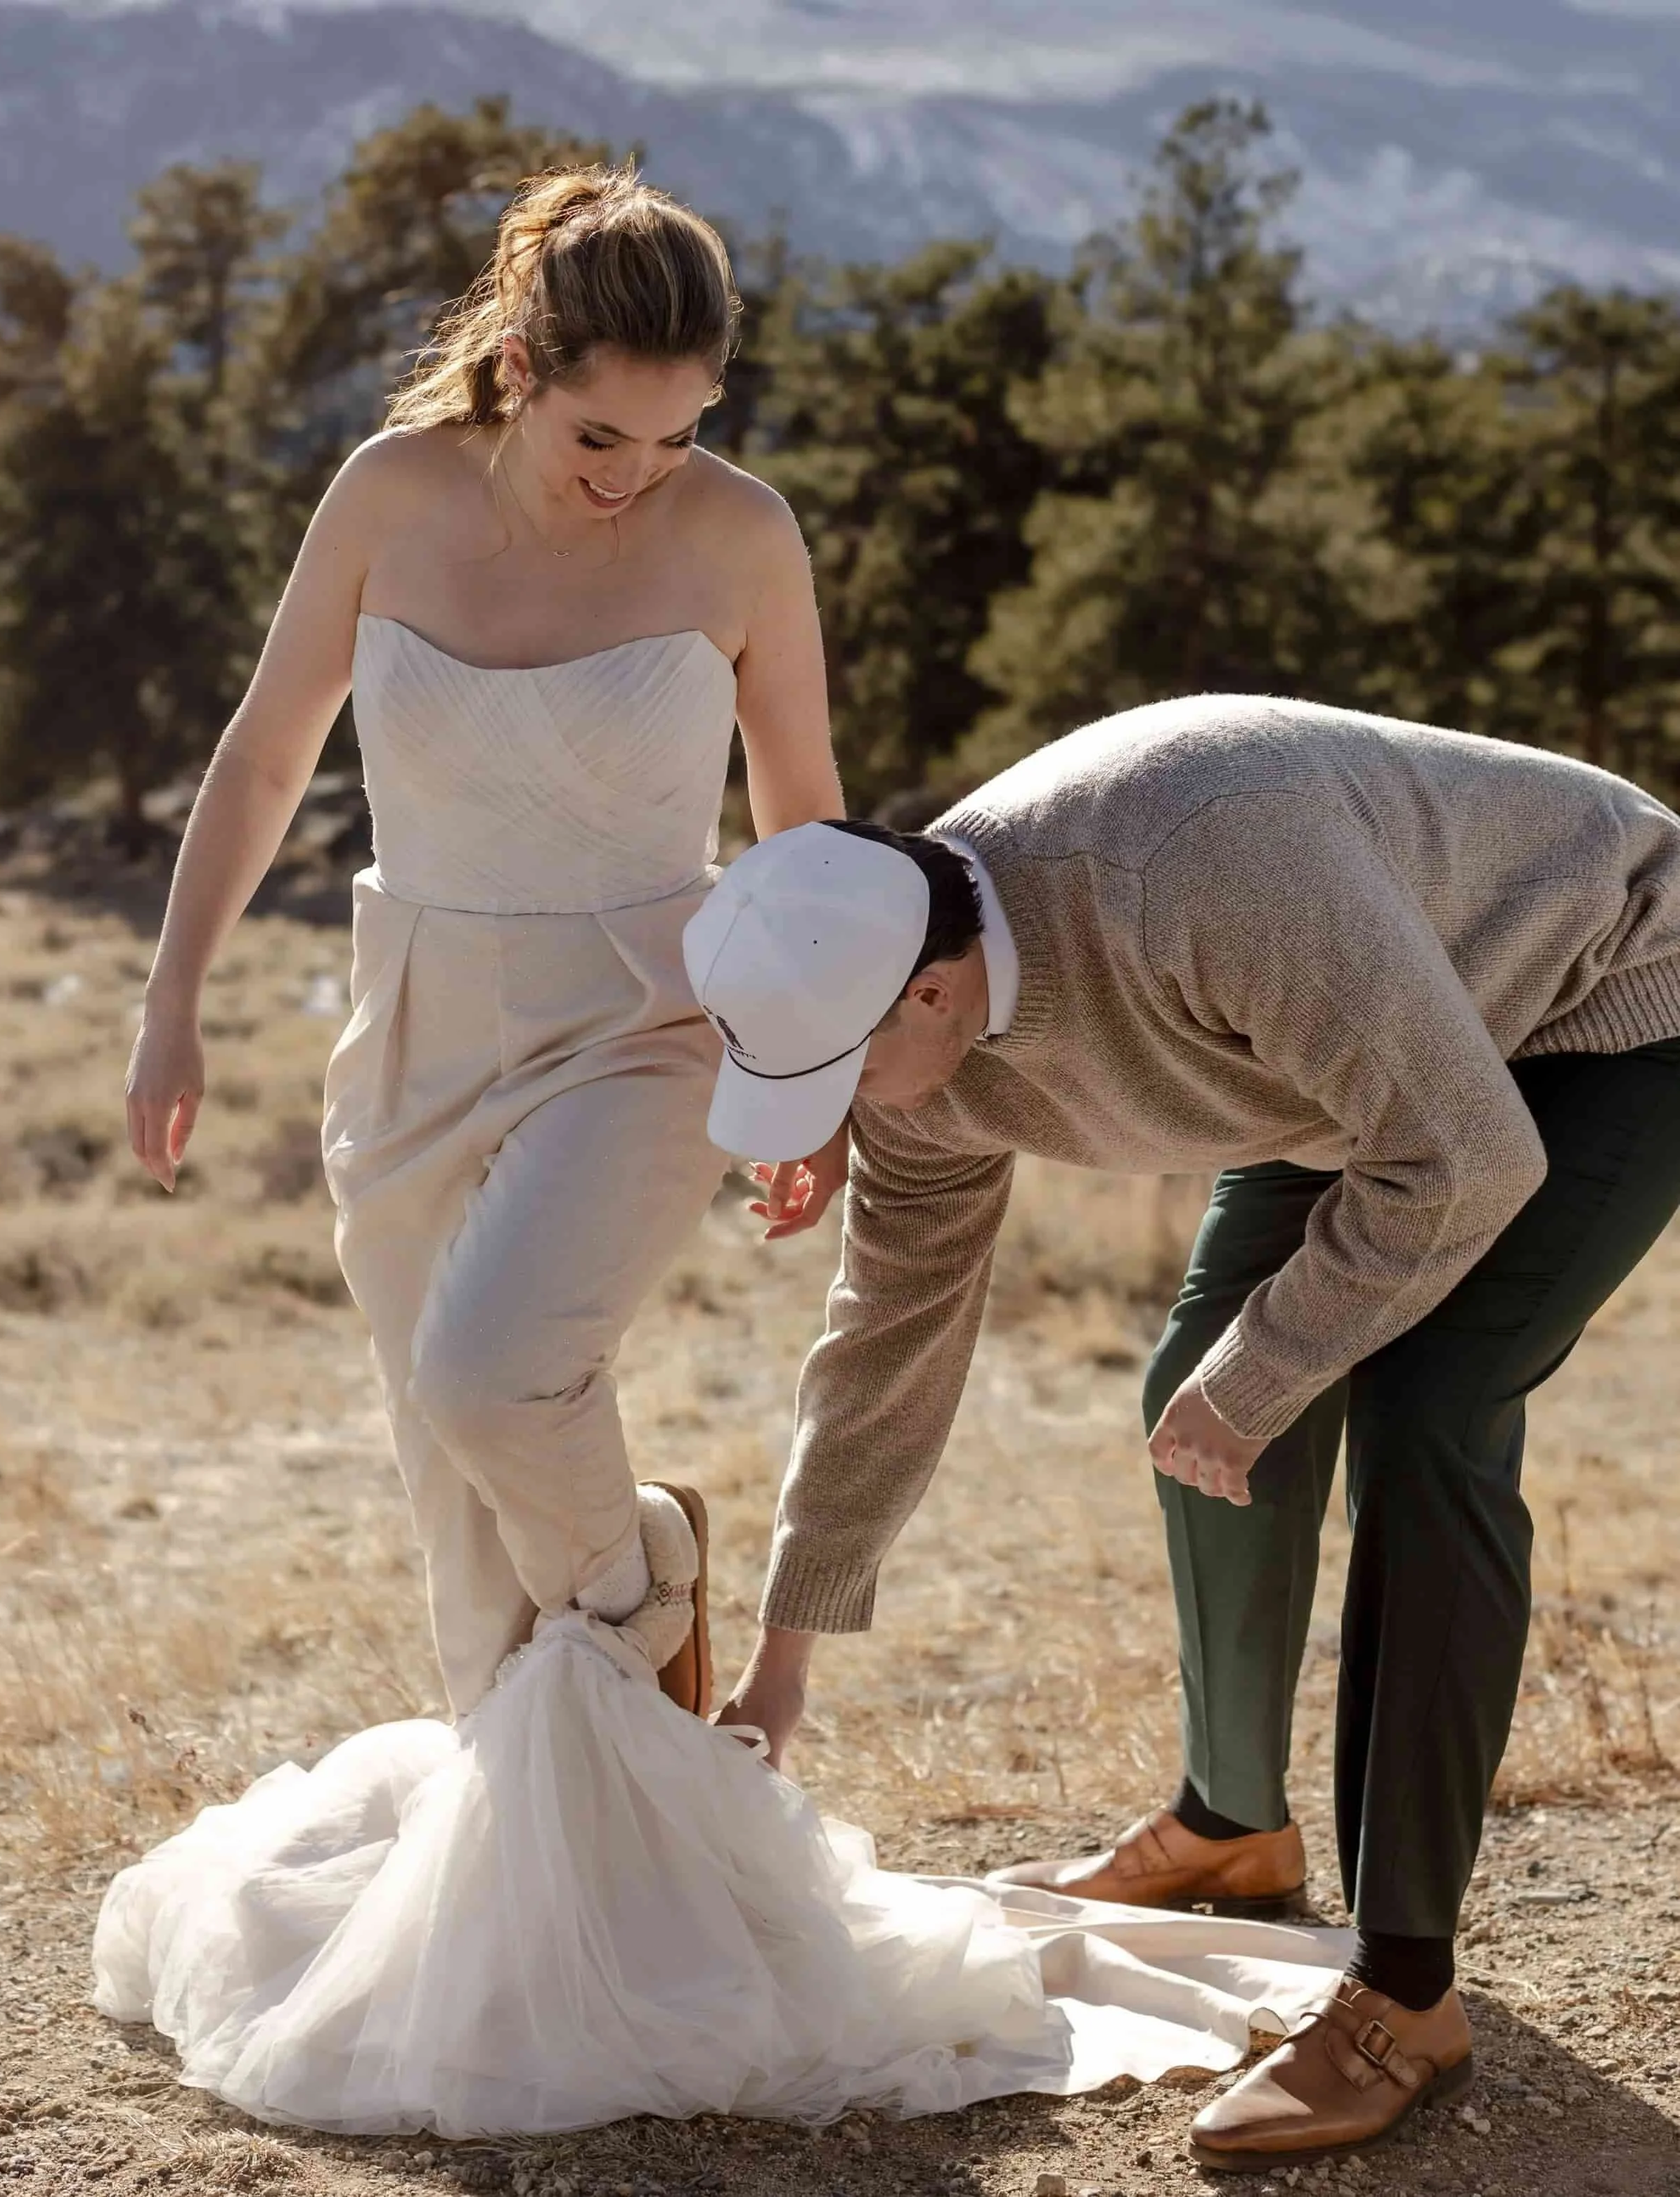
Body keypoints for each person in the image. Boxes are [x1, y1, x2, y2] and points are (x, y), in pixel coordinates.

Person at [96, 167, 1346, 2138]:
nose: (637, 475)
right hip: (408, 1016)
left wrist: (815, 1067)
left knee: (494, 1372)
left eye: (679, 436)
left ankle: (645, 1581)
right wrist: (169, 1002)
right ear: (518, 369)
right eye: (603, 434)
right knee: (454, 1517)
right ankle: (559, 1949)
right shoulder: (383, 497)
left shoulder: (738, 538)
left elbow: (808, 823)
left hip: (650, 1016)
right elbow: (264, 753)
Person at [694, 695, 1680, 2170]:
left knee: (1420, 1412)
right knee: (1191, 1394)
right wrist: (783, 1660)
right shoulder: (900, 1034)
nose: (819, 1121)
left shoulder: (1196, 871)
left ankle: (1402, 1991)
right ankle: (1231, 1821)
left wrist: (1271, 1360)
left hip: (1596, 997)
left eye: (826, 1077)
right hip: (1346, 1063)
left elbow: (1465, 1152)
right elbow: (887, 1340)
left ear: (931, 996)